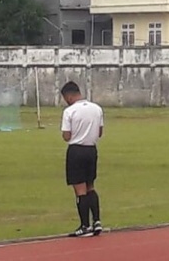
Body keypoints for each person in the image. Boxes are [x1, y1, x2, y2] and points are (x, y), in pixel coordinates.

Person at [60, 81, 104, 237]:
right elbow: (99, 132)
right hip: (91, 150)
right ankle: (97, 221)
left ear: (69, 96)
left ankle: (85, 225)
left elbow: (66, 136)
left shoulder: (69, 111)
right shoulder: (97, 109)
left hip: (76, 150)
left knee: (79, 190)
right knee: (90, 185)